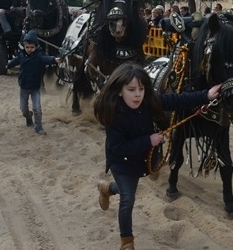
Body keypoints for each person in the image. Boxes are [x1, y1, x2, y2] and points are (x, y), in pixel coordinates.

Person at [93, 63, 222, 250]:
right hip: (120, 162)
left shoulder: (148, 102)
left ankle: (107, 188)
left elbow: (177, 100)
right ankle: (126, 243)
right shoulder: (114, 113)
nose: (137, 94)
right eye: (131, 90)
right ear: (120, 91)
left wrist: (206, 95)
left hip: (138, 161)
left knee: (126, 190)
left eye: (141, 89)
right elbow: (117, 148)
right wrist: (148, 141)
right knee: (128, 198)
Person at [6, 30, 60, 135]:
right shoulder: (21, 55)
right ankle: (28, 116)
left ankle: (38, 126)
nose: (29, 49)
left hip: (35, 87)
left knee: (37, 108)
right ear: (24, 46)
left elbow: (46, 59)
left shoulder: (39, 56)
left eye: (32, 47)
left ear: (36, 47)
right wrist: (8, 65)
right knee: (23, 109)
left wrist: (54, 59)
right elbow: (15, 61)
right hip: (23, 88)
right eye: (27, 47)